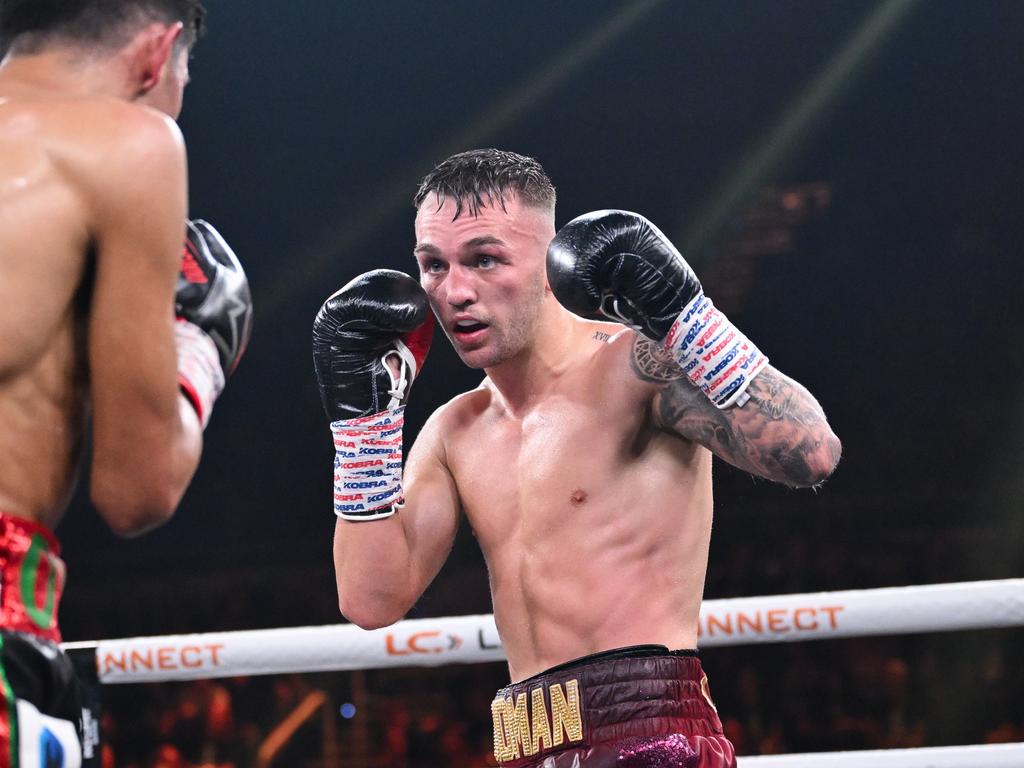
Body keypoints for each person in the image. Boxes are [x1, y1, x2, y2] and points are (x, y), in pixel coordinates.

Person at [313, 149, 840, 767]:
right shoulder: (454, 431)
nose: (453, 292)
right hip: (523, 741)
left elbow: (811, 453)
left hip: (649, 734)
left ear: (548, 263)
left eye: (485, 259)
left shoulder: (634, 368)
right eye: (433, 265)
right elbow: (370, 601)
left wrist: (686, 320)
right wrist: (363, 428)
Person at [0, 1, 252, 764]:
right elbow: (136, 491)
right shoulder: (129, 145)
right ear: (159, 52)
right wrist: (201, 348)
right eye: (184, 75)